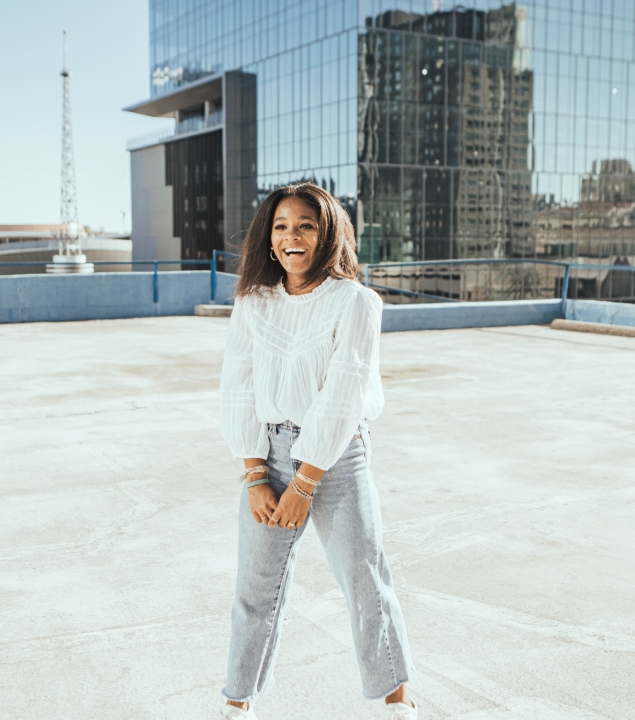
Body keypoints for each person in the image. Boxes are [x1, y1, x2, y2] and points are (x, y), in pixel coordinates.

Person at [218, 183, 417, 719]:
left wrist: (305, 483)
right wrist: (255, 473)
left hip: (336, 457)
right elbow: (237, 384)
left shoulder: (355, 301)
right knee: (254, 590)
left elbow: (345, 393)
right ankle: (237, 703)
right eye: (281, 226)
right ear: (269, 236)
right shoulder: (253, 302)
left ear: (327, 231)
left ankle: (397, 702)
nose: (292, 236)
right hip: (267, 453)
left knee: (364, 579)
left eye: (305, 224)